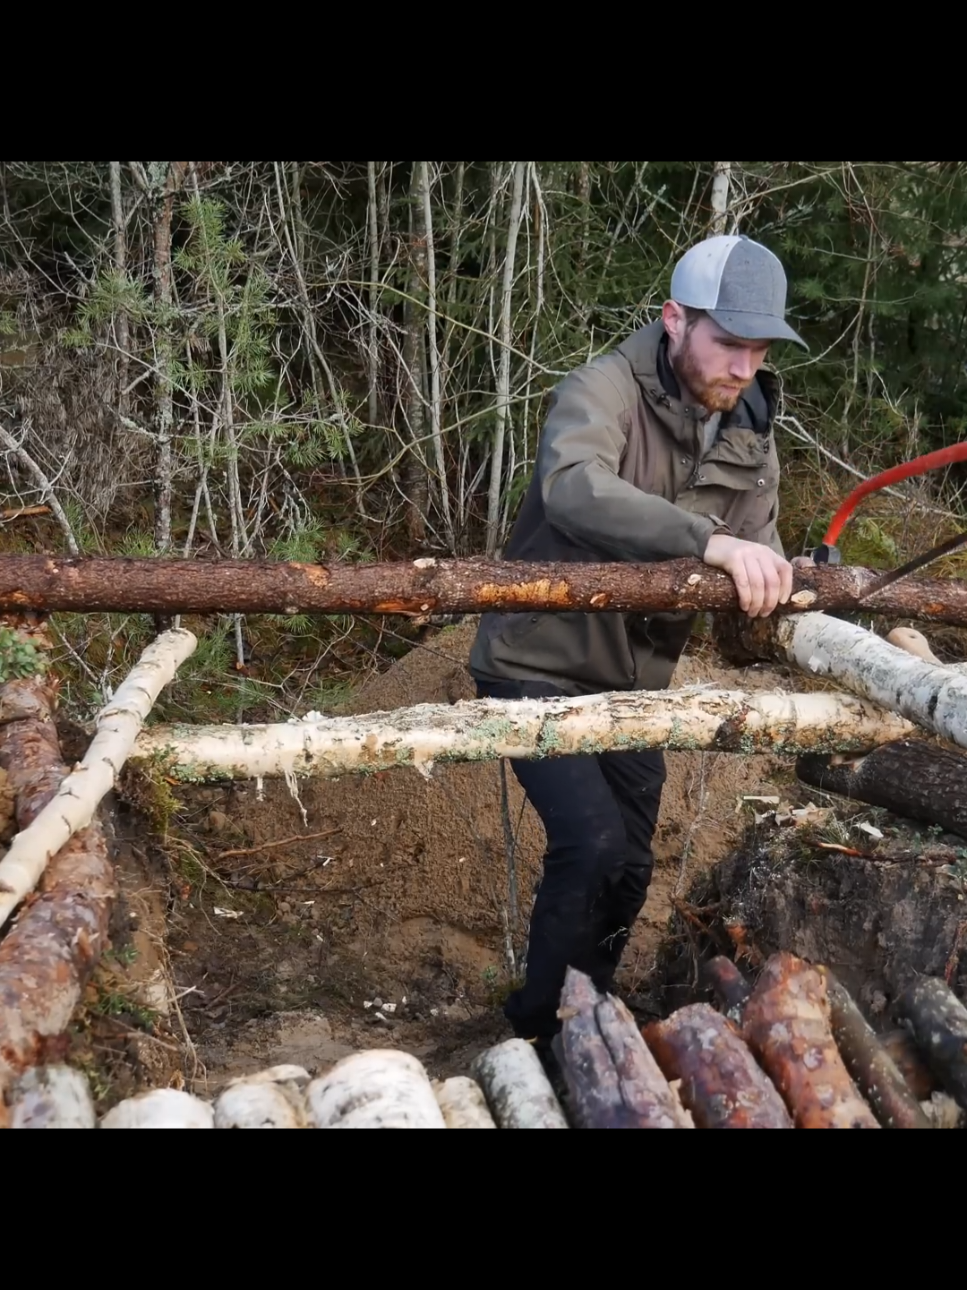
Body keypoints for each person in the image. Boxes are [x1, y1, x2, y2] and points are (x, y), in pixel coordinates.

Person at [468, 233, 808, 1053]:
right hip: (533, 664)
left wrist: (781, 575)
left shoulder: (750, 430)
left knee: (629, 869)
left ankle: (589, 1020)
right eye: (727, 343)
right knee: (589, 846)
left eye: (758, 350)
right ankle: (536, 1036)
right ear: (672, 321)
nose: (743, 366)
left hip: (633, 683)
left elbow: (752, 551)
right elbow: (572, 487)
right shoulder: (603, 388)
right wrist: (707, 541)